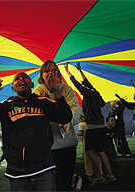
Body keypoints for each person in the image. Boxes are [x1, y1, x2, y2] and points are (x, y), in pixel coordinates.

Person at [0, 72, 72, 191]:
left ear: (32, 84)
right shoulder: (6, 107)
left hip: (44, 169)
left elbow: (65, 117)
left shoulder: (44, 103)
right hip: (17, 172)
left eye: (25, 77)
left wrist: (56, 91)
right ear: (13, 88)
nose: (21, 80)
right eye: (17, 79)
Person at [33, 60, 82, 191]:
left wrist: (69, 122)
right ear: (42, 75)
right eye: (47, 71)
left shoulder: (66, 89)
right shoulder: (38, 93)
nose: (51, 74)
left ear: (59, 74)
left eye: (54, 70)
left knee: (66, 178)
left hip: (68, 143)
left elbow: (76, 109)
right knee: (51, 180)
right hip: (49, 145)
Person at [64, 62, 116, 186]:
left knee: (90, 151)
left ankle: (98, 177)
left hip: (92, 127)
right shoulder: (96, 93)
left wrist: (68, 72)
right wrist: (80, 70)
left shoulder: (88, 93)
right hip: (101, 127)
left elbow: (77, 84)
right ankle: (110, 175)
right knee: (101, 151)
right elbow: (86, 82)